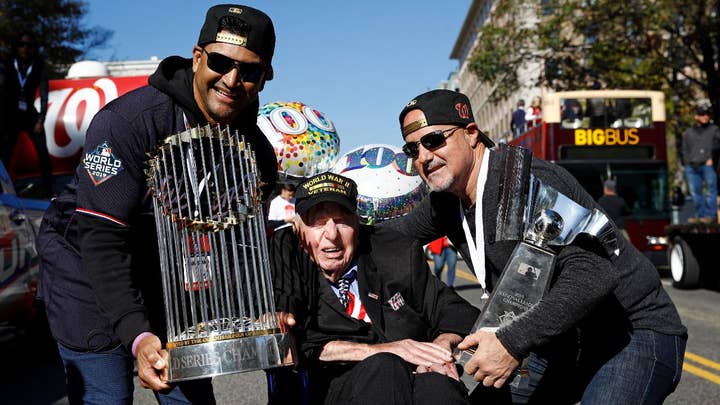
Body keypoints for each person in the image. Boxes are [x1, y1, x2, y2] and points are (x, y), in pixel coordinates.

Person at [35, 4, 278, 403]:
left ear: (265, 78)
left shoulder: (256, 155)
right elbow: (102, 241)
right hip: (88, 265)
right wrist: (139, 334)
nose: (232, 80)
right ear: (198, 58)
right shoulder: (128, 122)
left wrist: (264, 311)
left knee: (188, 394)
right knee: (108, 395)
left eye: (249, 70)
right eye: (220, 62)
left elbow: (240, 249)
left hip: (169, 273)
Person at [386, 89, 687, 404]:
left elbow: (593, 273)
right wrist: (335, 220)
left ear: (471, 134)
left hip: (629, 333)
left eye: (434, 140)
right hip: (558, 339)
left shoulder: (523, 181)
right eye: (412, 148)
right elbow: (390, 236)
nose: (423, 157)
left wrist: (511, 342)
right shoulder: (445, 203)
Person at [270, 172, 479, 404]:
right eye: (318, 223)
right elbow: (298, 340)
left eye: (341, 221)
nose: (332, 235)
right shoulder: (289, 261)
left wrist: (439, 348)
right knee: (385, 367)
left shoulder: (391, 252)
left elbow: (451, 308)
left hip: (415, 376)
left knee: (438, 388)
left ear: (357, 226)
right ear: (299, 231)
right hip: (338, 387)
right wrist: (385, 350)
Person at [1, 31, 53, 196]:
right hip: (11, 114)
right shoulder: (7, 64)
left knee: (43, 152)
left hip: (30, 113)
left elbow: (44, 95)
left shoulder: (39, 67)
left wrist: (41, 119)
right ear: (16, 47)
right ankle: (3, 189)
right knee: (5, 153)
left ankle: (49, 190)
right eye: (21, 45)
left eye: (29, 46)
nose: (25, 49)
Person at [681, 103, 720, 224]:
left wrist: (711, 158)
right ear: (696, 116)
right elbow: (684, 149)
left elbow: (717, 145)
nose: (705, 117)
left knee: (711, 191)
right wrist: (687, 162)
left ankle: (710, 216)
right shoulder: (688, 132)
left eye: (707, 114)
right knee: (695, 193)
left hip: (708, 165)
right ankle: (700, 216)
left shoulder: (714, 130)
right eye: (702, 114)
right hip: (692, 166)